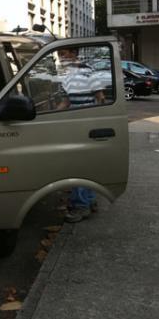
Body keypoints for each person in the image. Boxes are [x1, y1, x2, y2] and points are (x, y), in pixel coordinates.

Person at [55, 48, 107, 223]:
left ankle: (81, 205)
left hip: (87, 127)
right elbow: (66, 102)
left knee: (79, 166)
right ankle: (89, 200)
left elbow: (101, 98)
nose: (61, 57)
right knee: (81, 166)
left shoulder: (87, 72)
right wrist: (46, 117)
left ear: (73, 54)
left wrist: (96, 123)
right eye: (59, 55)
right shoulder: (66, 76)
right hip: (74, 126)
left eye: (64, 54)